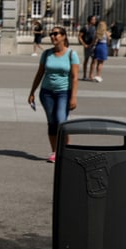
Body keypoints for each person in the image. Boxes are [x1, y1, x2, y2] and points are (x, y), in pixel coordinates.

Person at [28, 26, 79, 163]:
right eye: (51, 34)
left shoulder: (71, 54)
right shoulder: (46, 54)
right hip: (46, 93)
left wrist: (73, 97)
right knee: (52, 123)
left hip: (64, 92)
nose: (53, 36)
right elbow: (40, 73)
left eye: (56, 34)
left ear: (63, 36)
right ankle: (55, 152)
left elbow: (74, 77)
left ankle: (67, 150)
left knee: (61, 121)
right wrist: (32, 91)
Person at [78, 15, 97, 79]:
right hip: (87, 46)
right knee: (86, 60)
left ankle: (90, 75)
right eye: (94, 19)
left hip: (94, 45)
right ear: (90, 20)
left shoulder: (95, 27)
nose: (95, 20)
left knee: (94, 60)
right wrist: (84, 44)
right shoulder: (85, 28)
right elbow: (80, 37)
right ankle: (84, 75)